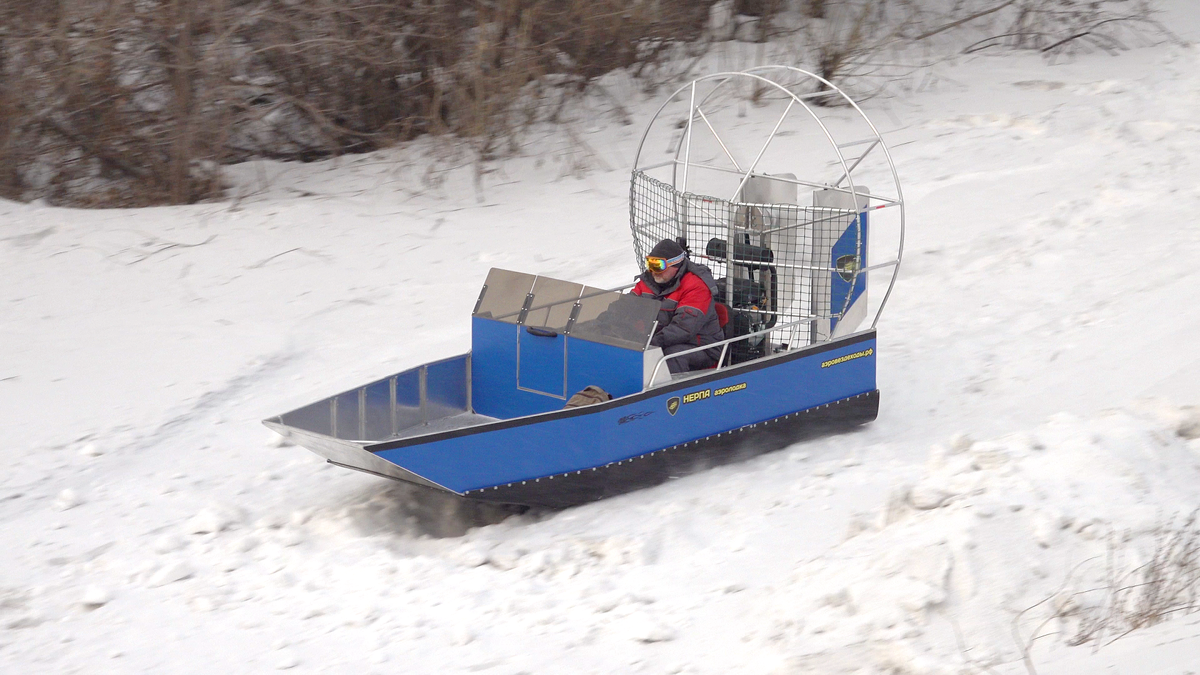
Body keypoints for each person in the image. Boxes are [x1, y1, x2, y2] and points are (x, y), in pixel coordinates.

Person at [632, 238, 725, 373]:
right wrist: (605, 322)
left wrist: (652, 343)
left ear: (675, 265)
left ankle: (666, 391)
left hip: (701, 347)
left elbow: (684, 328)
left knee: (670, 357)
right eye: (650, 264)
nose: (654, 271)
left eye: (659, 265)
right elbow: (627, 306)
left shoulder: (696, 286)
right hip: (661, 339)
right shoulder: (649, 282)